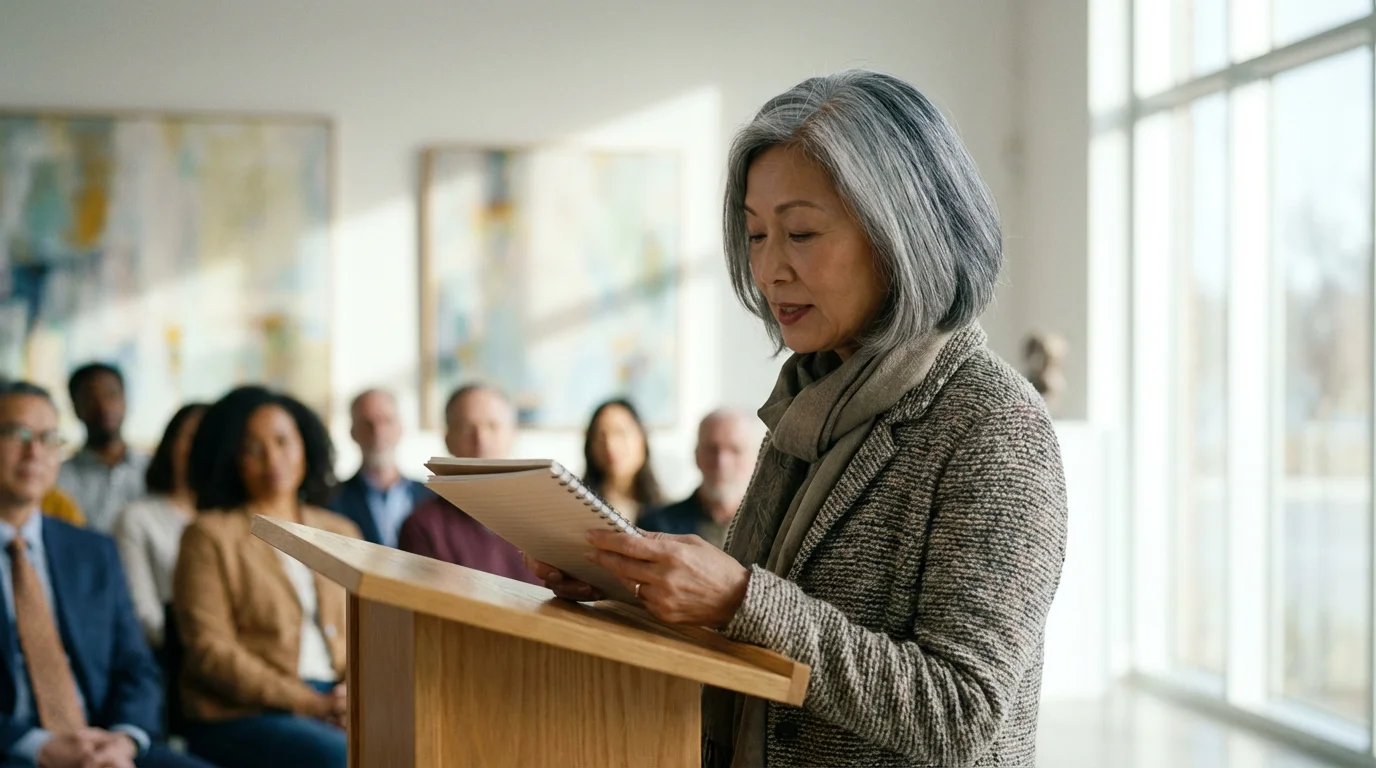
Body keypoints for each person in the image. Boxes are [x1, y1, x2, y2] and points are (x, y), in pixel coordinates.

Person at [527, 70, 1068, 767]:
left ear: (902, 233)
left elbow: (960, 712)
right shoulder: (809, 405)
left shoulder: (995, 428)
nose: (769, 270)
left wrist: (741, 600)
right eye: (755, 235)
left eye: (802, 232)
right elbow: (757, 625)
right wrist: (625, 590)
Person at [0, 381, 212, 768]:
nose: (34, 452)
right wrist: (39, 746)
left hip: (104, 746)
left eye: (48, 438)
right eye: (17, 434)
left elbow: (136, 666)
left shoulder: (92, 551)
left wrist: (125, 738)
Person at [173, 386, 359, 768]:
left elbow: (371, 631)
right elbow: (211, 651)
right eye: (252, 448)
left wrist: (349, 697)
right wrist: (309, 702)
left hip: (339, 698)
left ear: (305, 446)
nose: (272, 459)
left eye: (282, 442)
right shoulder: (208, 535)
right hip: (243, 712)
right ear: (231, 460)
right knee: (343, 757)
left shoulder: (341, 530)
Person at [397, 385, 539, 585]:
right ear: (448, 439)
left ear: (513, 434)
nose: (481, 439)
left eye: (492, 426)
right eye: (466, 428)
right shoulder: (424, 527)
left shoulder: (543, 520)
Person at [113, 403, 207, 649]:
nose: (202, 449)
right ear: (171, 446)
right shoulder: (138, 518)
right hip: (173, 656)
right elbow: (142, 615)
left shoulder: (241, 520)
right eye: (191, 438)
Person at [638, 410, 760, 549]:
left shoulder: (776, 529)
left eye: (735, 450)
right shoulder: (655, 527)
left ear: (756, 459)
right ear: (696, 455)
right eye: (712, 449)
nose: (721, 462)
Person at [329, 389, 429, 547]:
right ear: (353, 432)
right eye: (367, 424)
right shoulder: (332, 501)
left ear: (400, 428)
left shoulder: (431, 497)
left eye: (386, 421)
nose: (378, 432)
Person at [57, 363, 148, 534]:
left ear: (125, 400)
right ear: (75, 407)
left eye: (111, 395)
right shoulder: (59, 479)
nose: (104, 407)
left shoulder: (154, 470)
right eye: (91, 398)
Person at [582, 399, 663, 523]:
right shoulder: (578, 507)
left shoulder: (670, 514)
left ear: (642, 438)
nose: (610, 445)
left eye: (620, 432)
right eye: (600, 436)